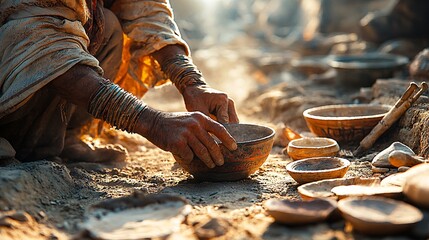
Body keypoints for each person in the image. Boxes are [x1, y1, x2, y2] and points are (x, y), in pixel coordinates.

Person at [0, 0, 239, 169]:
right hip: (16, 66)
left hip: (44, 45)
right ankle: (25, 142)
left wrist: (191, 82)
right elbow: (47, 53)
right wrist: (154, 123)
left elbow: (148, 10)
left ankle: (66, 135)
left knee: (108, 25)